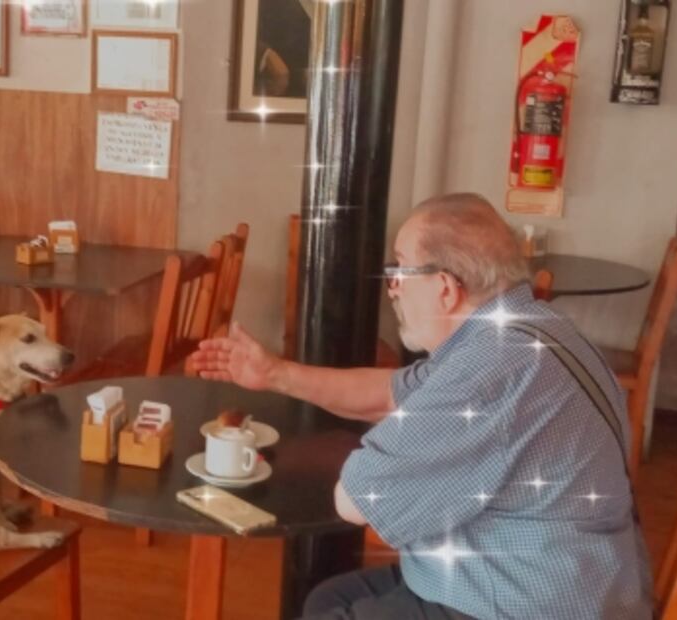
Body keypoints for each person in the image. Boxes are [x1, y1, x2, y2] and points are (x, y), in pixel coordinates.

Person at [189, 194, 653, 619]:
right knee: (326, 598)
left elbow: (357, 501)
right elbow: (391, 394)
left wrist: (371, 453)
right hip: (579, 579)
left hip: (528, 602)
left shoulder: (490, 367)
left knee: (330, 613)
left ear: (445, 289)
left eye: (400, 270)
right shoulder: (528, 327)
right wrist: (274, 373)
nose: (391, 287)